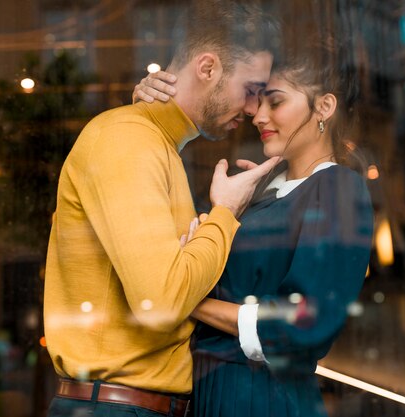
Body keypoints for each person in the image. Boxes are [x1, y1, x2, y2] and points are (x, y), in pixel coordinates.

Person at [43, 2, 281, 417]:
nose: (252, 109)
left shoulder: (152, 143)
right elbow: (161, 304)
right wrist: (225, 212)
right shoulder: (128, 140)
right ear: (207, 68)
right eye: (250, 90)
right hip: (117, 408)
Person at [135, 39, 374, 417]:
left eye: (275, 101)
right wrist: (151, 109)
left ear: (324, 107)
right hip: (208, 390)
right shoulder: (256, 192)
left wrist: (184, 300)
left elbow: (304, 322)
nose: (259, 115)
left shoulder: (337, 187)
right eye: (258, 102)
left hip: (263, 396)